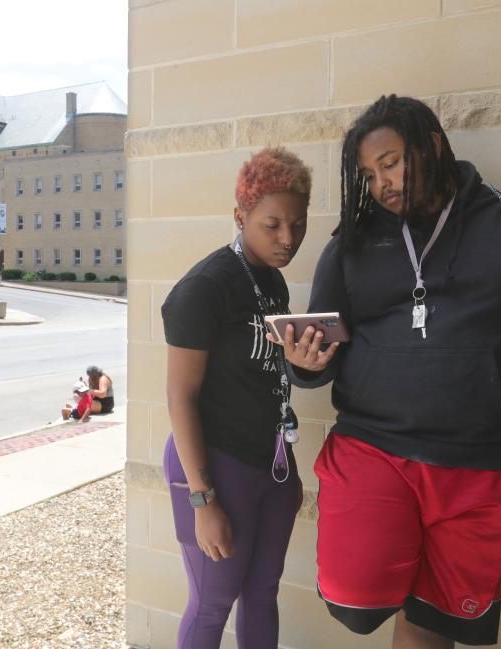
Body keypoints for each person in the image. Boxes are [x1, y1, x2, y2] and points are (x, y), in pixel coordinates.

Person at [281, 95, 501, 648]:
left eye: (390, 162)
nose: (381, 183)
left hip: (483, 462)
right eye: (369, 173)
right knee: (355, 598)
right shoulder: (353, 241)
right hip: (374, 448)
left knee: (438, 619)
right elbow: (321, 353)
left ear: (432, 143)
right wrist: (306, 367)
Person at [161, 147, 315, 648]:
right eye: (272, 225)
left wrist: (287, 469)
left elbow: (269, 382)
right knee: (212, 604)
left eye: (297, 223)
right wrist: (203, 500)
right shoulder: (204, 288)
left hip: (268, 466)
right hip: (213, 465)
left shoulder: (271, 282)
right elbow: (180, 397)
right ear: (240, 216)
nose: (287, 238)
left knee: (263, 592)